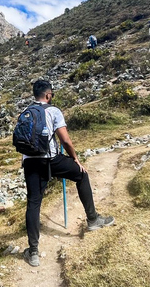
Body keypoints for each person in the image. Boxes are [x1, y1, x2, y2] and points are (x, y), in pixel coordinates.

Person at [20, 80, 114, 267]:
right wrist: (75, 159)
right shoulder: (53, 111)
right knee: (81, 175)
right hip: (51, 160)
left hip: (30, 162)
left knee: (33, 203)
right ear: (48, 95)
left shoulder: (25, 112)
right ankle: (93, 220)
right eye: (51, 94)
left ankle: (33, 252)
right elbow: (66, 141)